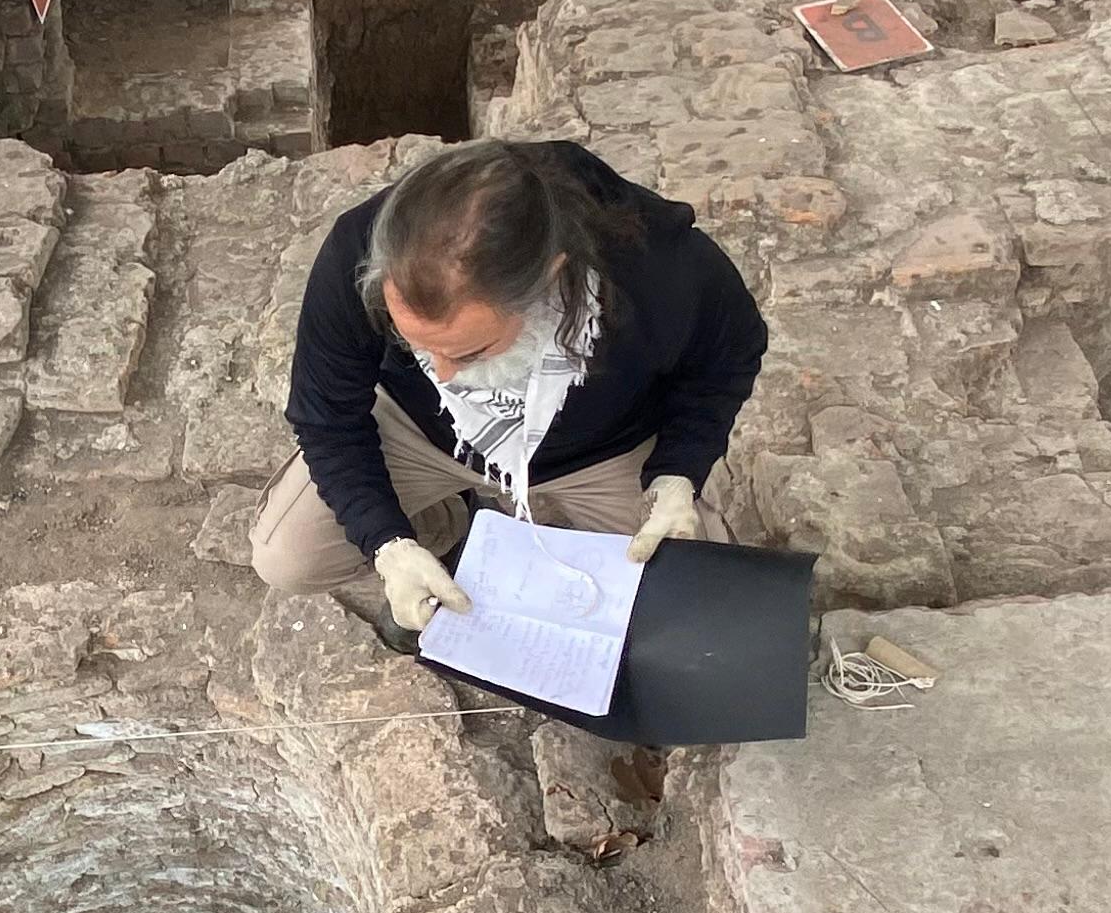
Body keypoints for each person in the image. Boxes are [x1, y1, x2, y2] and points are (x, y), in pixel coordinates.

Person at [252, 139, 770, 648]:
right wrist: (388, 544)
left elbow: (727, 358)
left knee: (688, 590)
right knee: (289, 556)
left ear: (550, 277)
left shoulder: (659, 268)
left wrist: (678, 473)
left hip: (603, 449)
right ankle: (445, 524)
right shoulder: (357, 249)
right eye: (417, 346)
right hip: (422, 431)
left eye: (470, 350)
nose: (445, 373)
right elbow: (328, 419)